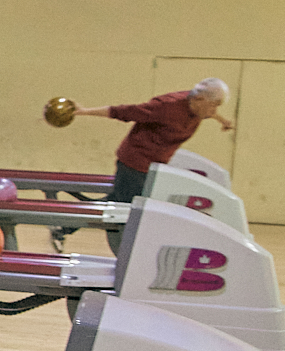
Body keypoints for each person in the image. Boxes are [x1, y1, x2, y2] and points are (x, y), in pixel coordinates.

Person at [74, 78, 235, 250]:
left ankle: (67, 222)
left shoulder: (199, 106)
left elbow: (209, 111)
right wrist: (83, 111)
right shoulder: (166, 107)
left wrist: (222, 120)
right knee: (123, 210)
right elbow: (124, 112)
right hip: (135, 163)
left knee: (120, 201)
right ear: (199, 100)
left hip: (155, 166)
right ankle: (121, 252)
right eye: (214, 105)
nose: (214, 111)